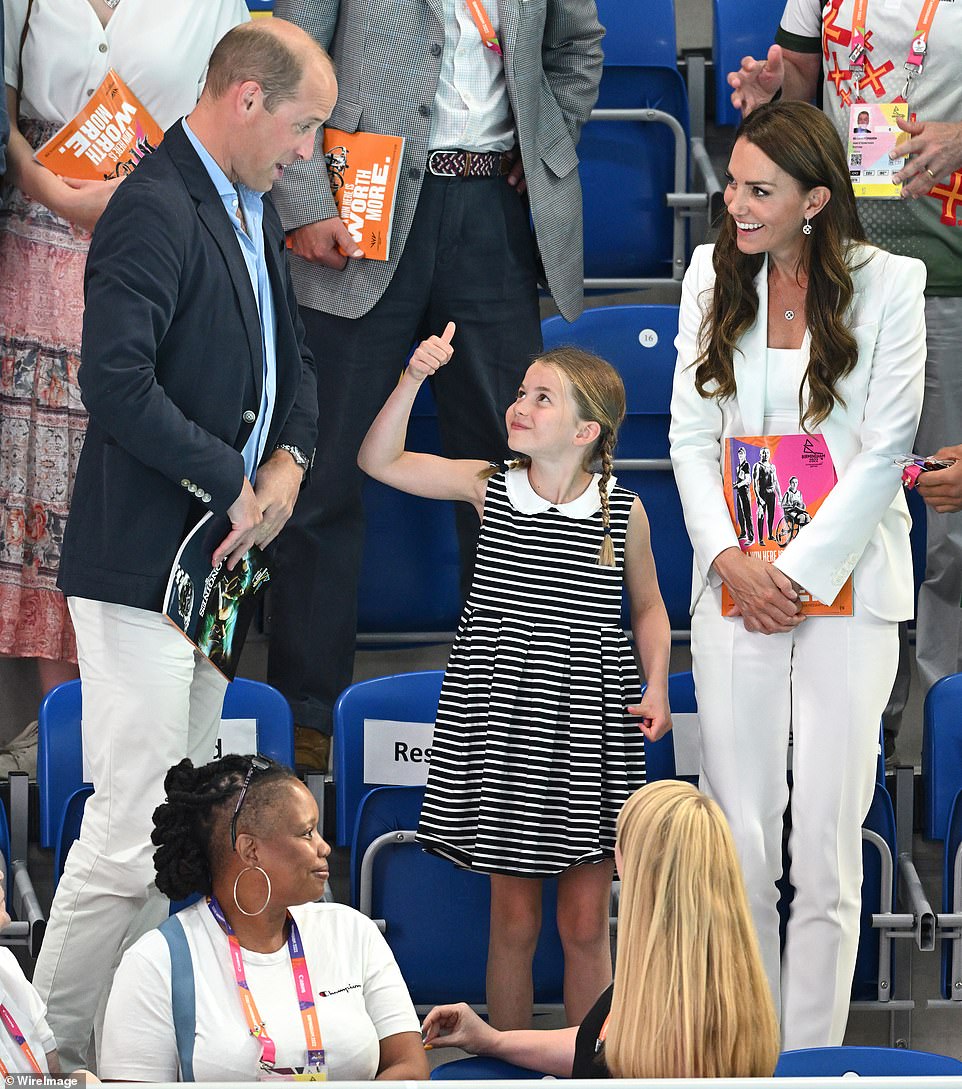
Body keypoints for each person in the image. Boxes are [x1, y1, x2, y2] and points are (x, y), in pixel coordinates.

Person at [31, 20, 330, 1070]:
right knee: (127, 836)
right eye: (303, 126)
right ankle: (44, 1058)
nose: (309, 152)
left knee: (174, 836)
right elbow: (113, 385)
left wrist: (289, 458)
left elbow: (294, 370)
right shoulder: (154, 208)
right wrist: (233, 477)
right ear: (247, 101)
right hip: (141, 566)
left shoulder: (245, 206)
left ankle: (128, 1048)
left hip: (212, 568)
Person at [264, 0, 605, 773]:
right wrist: (307, 199)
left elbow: (578, 46)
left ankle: (505, 707)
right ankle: (308, 714)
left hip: (492, 208)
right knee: (324, 471)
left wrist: (550, 135)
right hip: (362, 208)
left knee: (513, 474)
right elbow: (287, 56)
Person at [669, 100, 926, 1048]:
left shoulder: (894, 282)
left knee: (824, 845)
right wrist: (733, 562)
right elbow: (692, 439)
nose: (734, 202)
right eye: (733, 182)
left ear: (816, 200)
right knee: (739, 841)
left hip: (849, 591)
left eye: (759, 190)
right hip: (733, 585)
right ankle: (746, 1051)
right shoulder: (709, 272)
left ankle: (808, 1059)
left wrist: (800, 574)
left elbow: (885, 447)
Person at [358, 331, 671, 1030]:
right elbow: (377, 459)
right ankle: (510, 1056)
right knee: (514, 917)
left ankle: (589, 1068)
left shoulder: (623, 511)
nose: (518, 405)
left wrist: (657, 684)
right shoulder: (488, 485)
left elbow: (649, 609)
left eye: (542, 397)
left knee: (587, 920)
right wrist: (412, 377)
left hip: (590, 730)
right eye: (521, 392)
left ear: (587, 430)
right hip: (507, 728)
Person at [0, 0, 250, 773]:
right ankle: (61, 727)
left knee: (128, 466)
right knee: (39, 488)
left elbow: (233, 120)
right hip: (35, 242)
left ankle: (129, 729)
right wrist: (51, 189)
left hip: (162, 230)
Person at [726, 0, 962, 756]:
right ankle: (841, 726)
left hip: (949, 276)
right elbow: (799, 77)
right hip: (839, 273)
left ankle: (931, 744)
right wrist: (773, 90)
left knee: (951, 525)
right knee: (832, 495)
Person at [100, 755, 427, 1081]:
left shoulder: (353, 931)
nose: (324, 847)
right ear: (250, 850)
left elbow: (409, 1067)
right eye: (306, 833)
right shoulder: (156, 962)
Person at [421, 780, 780, 1079]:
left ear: (644, 871)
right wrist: (493, 1040)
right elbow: (596, 1045)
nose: (613, 852)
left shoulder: (671, 1036)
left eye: (621, 842)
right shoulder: (717, 990)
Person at [752, 446, 781, 543]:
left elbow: (776, 482)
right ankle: (760, 539)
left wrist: (780, 495)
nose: (765, 455)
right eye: (763, 453)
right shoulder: (758, 466)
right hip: (762, 493)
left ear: (769, 454)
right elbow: (755, 483)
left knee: (771, 515)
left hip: (771, 494)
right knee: (761, 515)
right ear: (760, 454)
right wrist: (758, 497)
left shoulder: (772, 467)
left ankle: (770, 535)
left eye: (767, 453)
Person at [733, 446, 754, 542]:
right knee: (740, 513)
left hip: (744, 491)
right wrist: (735, 484)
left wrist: (739, 484)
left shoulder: (746, 465)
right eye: (739, 453)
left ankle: (751, 536)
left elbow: (748, 479)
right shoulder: (738, 467)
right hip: (738, 492)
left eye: (742, 453)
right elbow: (740, 479)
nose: (740, 455)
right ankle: (743, 533)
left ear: (745, 454)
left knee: (747, 513)